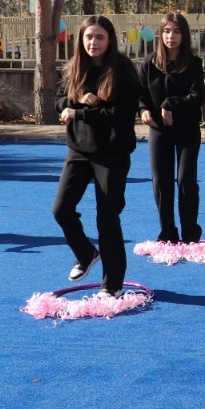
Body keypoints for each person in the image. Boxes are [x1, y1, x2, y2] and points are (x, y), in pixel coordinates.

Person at [52, 15, 141, 295]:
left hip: (112, 153)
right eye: (89, 37)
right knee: (61, 209)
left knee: (107, 218)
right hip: (79, 149)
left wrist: (81, 112)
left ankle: (111, 285)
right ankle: (86, 253)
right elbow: (58, 101)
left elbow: (121, 115)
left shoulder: (123, 69)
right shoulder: (74, 68)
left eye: (99, 37)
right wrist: (74, 101)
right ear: (81, 39)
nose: (93, 42)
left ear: (110, 39)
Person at [137, 12, 205, 244]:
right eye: (166, 31)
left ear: (184, 35)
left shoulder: (194, 63)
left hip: (187, 129)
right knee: (161, 182)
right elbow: (140, 95)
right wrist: (143, 110)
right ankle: (167, 233)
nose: (171, 36)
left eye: (176, 31)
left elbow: (197, 96)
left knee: (186, 180)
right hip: (159, 130)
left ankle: (190, 233)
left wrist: (170, 103)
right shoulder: (149, 63)